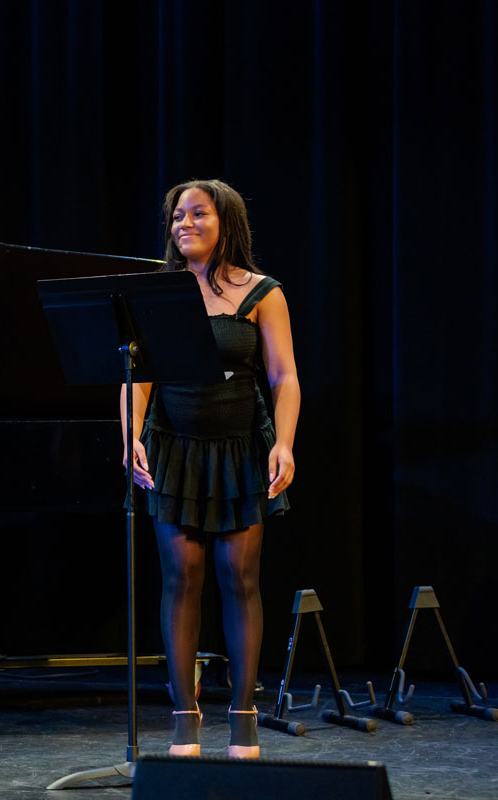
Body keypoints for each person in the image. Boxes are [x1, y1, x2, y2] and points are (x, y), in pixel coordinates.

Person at [121, 180, 299, 758]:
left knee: (238, 577)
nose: (184, 224)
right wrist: (130, 436)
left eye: (198, 214)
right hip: (175, 449)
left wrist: (285, 444)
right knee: (181, 577)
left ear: (227, 222)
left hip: (240, 450)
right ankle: (184, 721)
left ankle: (244, 719)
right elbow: (138, 377)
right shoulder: (158, 292)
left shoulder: (262, 293)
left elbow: (284, 377)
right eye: (177, 216)